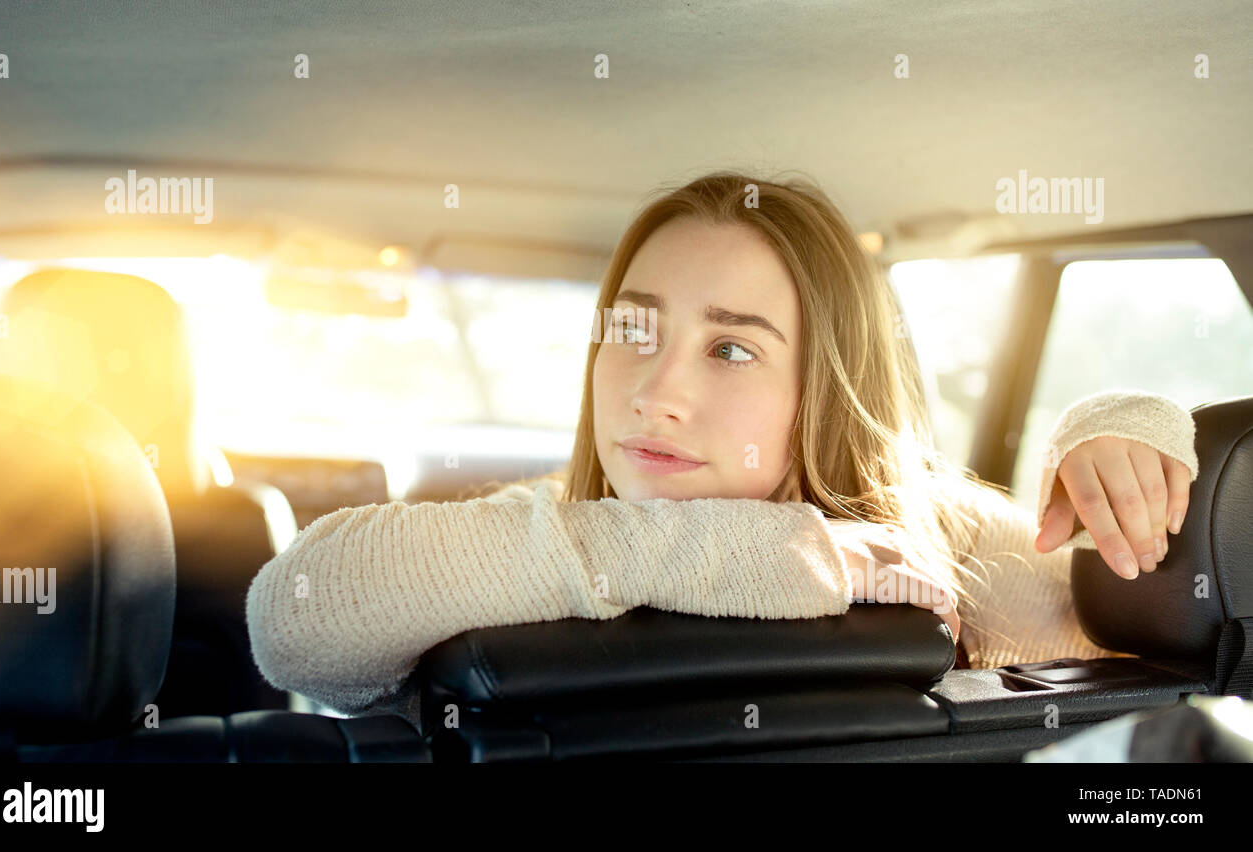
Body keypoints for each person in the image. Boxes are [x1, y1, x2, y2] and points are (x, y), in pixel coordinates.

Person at [245, 171, 1199, 731]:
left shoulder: (940, 547)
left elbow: (1194, 644)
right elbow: (295, 618)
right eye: (634, 330)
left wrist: (1123, 433)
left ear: (827, 383)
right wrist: (749, 552)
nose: (656, 393)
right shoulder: (545, 538)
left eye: (733, 348)